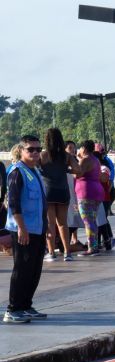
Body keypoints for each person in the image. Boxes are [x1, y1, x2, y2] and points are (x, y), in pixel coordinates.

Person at [4, 135, 48, 323]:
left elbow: (41, 203)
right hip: (23, 229)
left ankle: (26, 305)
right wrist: (21, 228)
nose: (35, 152)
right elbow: (14, 203)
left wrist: (47, 227)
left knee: (34, 269)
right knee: (22, 269)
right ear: (21, 150)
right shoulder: (17, 172)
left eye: (38, 149)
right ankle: (13, 309)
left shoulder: (35, 171)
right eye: (31, 149)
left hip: (38, 228)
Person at [40, 128, 78, 262]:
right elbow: (78, 170)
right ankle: (67, 253)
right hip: (63, 191)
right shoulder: (66, 156)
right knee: (63, 223)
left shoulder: (43, 155)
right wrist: (66, 169)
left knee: (50, 223)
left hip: (48, 192)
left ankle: (51, 253)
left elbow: (33, 168)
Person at [73, 140, 105, 256]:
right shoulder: (96, 160)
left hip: (86, 192)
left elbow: (77, 174)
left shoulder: (85, 160)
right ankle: (94, 245)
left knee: (88, 221)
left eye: (80, 148)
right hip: (96, 191)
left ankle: (92, 248)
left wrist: (73, 165)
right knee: (92, 221)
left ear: (84, 149)